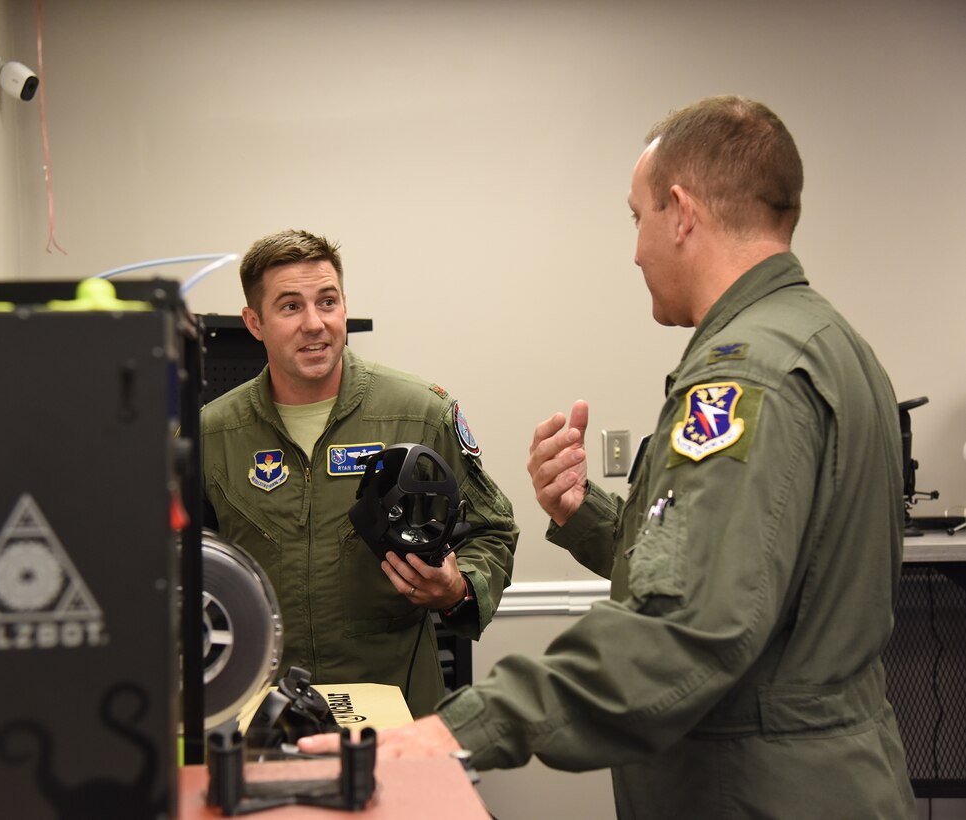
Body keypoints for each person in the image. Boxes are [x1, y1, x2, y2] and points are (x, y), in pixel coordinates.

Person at [300, 96, 916, 818]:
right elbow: (741, 568)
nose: (634, 249)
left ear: (681, 212)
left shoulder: (744, 375)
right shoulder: (828, 343)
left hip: (755, 787)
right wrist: (582, 513)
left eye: (637, 217)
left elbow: (689, 626)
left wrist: (463, 730)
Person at [201, 229, 518, 718]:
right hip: (262, 715)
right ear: (254, 323)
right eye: (290, 306)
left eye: (327, 302)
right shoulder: (211, 435)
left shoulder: (419, 413)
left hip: (398, 710)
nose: (314, 323)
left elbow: (492, 530)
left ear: (344, 306)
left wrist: (459, 587)